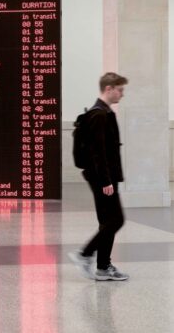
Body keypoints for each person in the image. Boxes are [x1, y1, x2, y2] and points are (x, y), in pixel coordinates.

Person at [69, 72, 129, 281]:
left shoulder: (102, 112)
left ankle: (103, 267)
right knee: (116, 220)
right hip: (102, 177)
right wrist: (106, 181)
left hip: (104, 176)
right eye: (120, 90)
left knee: (108, 221)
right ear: (108, 88)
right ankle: (85, 254)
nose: (122, 94)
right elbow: (98, 151)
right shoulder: (99, 115)